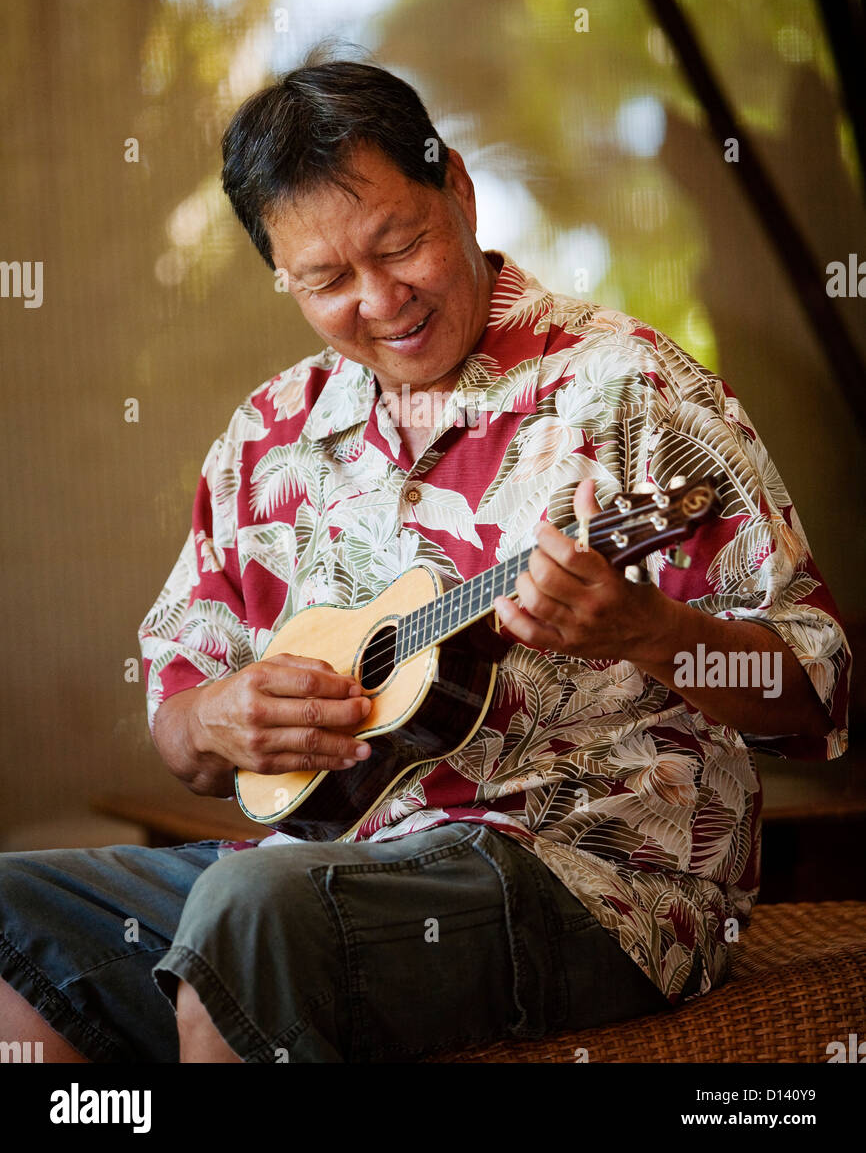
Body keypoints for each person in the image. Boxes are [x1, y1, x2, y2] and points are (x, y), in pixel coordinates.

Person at [0, 57, 850, 1063]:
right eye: (324, 280)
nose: (379, 300)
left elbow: (818, 686)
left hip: (588, 882)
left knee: (249, 910)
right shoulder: (268, 435)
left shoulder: (627, 389)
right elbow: (183, 728)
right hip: (311, 861)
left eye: (398, 244)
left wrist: (651, 630)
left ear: (456, 186)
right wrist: (217, 714)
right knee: (17, 908)